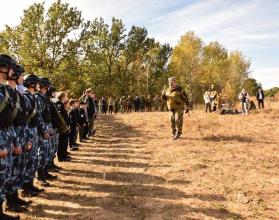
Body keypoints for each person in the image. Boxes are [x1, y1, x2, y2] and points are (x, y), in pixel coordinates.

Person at [56, 92, 70, 162]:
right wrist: (63, 126)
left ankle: (64, 155)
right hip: (62, 127)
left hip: (65, 126)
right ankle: (61, 157)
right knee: (61, 142)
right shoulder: (59, 104)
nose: (67, 97)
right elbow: (60, 117)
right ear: (62, 97)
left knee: (64, 142)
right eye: (66, 96)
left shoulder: (62, 104)